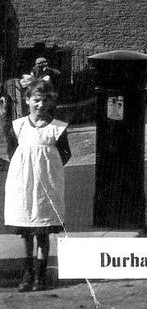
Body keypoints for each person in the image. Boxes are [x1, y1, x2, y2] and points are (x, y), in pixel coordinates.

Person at [2, 82, 71, 292]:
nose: (40, 104)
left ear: (51, 102)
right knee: (26, 233)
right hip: (23, 184)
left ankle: (40, 276)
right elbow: (12, 152)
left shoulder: (57, 128)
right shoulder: (18, 126)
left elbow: (65, 154)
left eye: (45, 100)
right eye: (36, 100)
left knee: (42, 232)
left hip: (46, 186)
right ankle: (27, 273)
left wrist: (47, 167)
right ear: (27, 100)